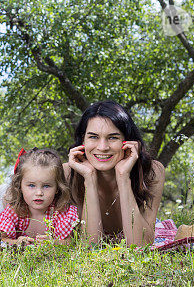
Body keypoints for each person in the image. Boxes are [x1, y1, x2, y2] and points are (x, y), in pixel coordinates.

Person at [65, 100, 165, 246]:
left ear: (128, 141)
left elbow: (140, 246)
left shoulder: (153, 171)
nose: (103, 147)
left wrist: (123, 177)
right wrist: (90, 179)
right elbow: (90, 246)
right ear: (83, 140)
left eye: (113, 137)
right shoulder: (67, 173)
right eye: (93, 137)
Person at [0, 148, 79, 245]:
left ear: (57, 188)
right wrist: (16, 242)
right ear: (20, 187)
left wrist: (54, 242)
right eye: (31, 185)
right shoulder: (15, 211)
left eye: (46, 186)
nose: (39, 193)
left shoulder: (60, 213)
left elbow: (70, 241)